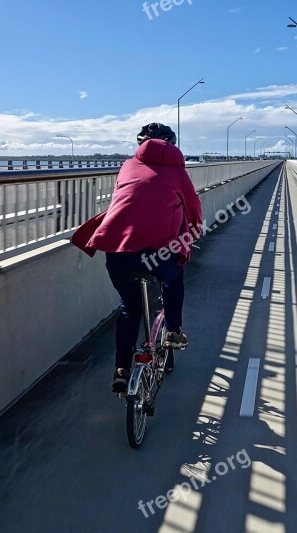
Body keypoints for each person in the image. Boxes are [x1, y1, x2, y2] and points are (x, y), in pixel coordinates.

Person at [80, 123, 203, 393]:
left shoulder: (127, 166)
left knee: (130, 308)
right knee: (173, 277)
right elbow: (194, 209)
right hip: (158, 255)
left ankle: (121, 369)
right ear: (172, 144)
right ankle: (172, 330)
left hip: (118, 251)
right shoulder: (178, 171)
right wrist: (193, 232)